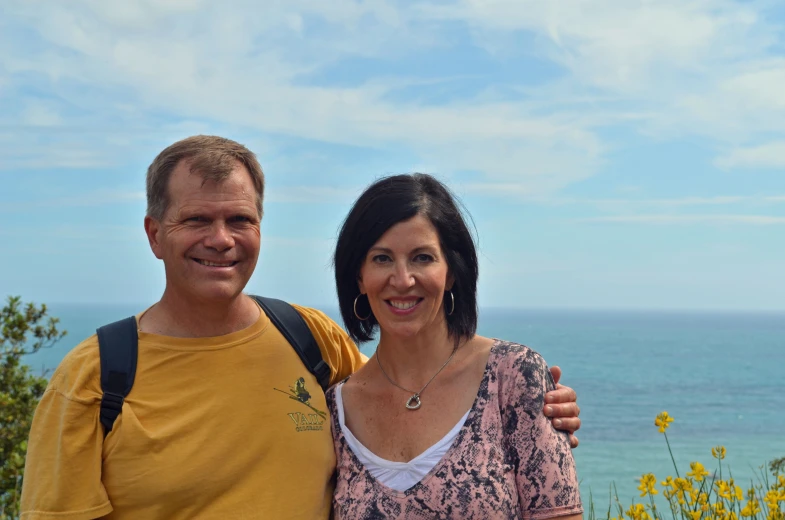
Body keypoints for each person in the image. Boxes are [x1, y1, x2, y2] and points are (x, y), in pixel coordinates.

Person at [20, 136, 580, 519]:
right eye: (197, 219)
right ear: (153, 234)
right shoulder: (95, 381)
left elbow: (415, 399)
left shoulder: (309, 340)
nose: (221, 239)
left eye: (240, 219)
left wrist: (536, 410)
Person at [328, 173, 583, 519]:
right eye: (382, 258)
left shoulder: (511, 378)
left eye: (422, 257)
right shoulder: (336, 410)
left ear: (451, 272)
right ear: (359, 276)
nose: (402, 280)